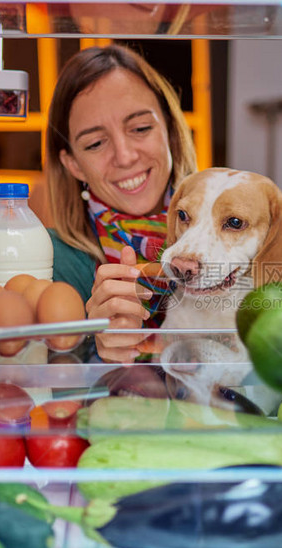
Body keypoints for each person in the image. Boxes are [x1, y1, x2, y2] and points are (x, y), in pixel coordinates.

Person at [44, 44, 197, 362]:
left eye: (141, 128)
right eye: (96, 143)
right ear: (73, 163)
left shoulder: (234, 231)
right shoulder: (53, 263)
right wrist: (97, 351)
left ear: (168, 130)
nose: (125, 156)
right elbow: (44, 393)